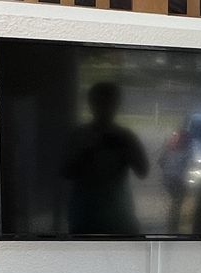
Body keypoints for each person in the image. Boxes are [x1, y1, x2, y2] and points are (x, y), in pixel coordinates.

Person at [61, 81, 148, 235]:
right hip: (85, 216)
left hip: (118, 216)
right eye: (100, 103)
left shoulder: (125, 137)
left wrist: (125, 149)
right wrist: (89, 151)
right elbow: (65, 172)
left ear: (116, 105)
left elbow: (143, 171)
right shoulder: (79, 136)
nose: (104, 108)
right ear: (92, 104)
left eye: (109, 103)